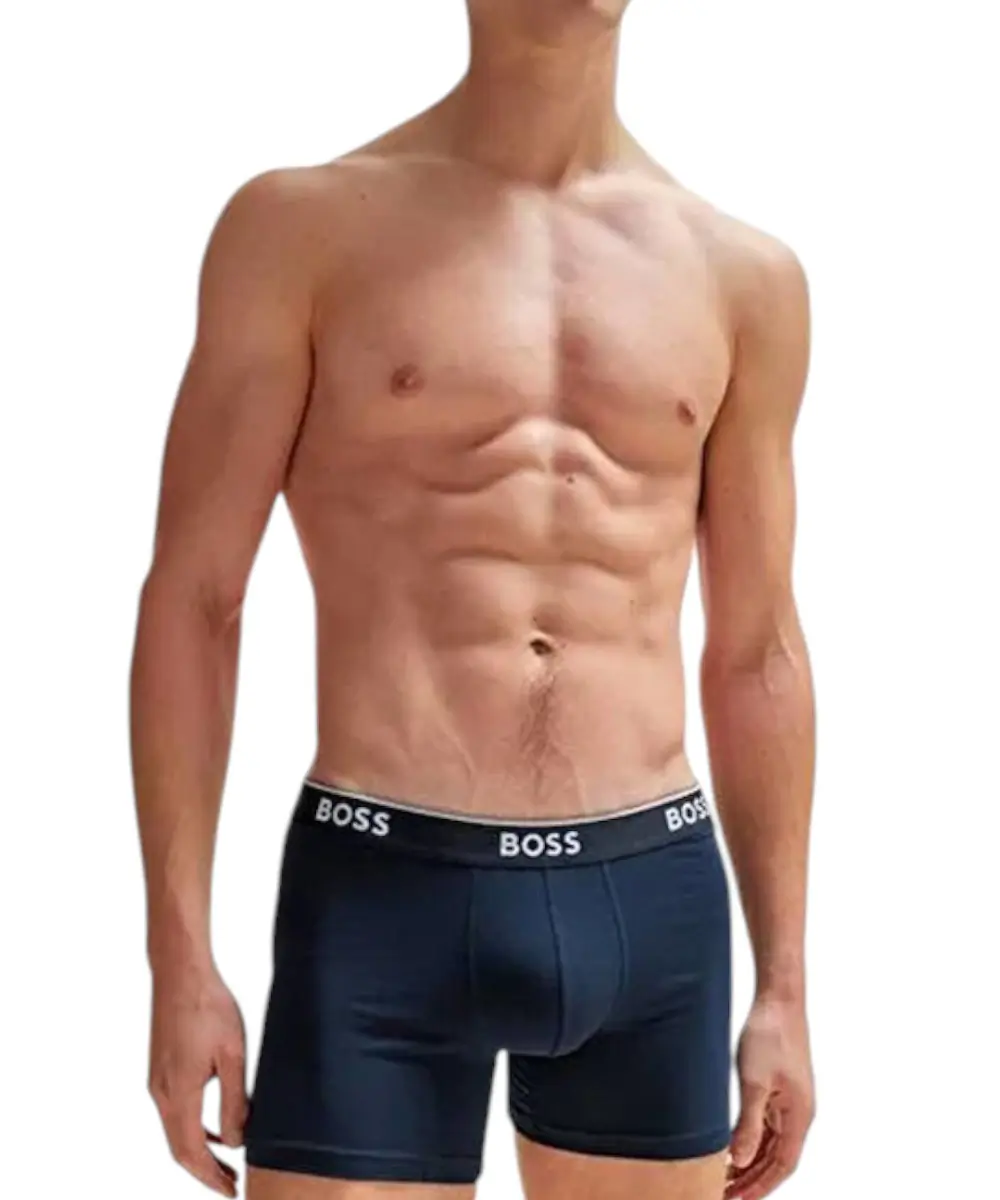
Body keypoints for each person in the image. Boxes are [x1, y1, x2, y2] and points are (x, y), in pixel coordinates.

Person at [130, 2, 817, 1198]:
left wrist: (786, 986)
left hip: (651, 905)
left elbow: (756, 649)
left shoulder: (743, 277)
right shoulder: (301, 232)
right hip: (381, 896)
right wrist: (176, 957)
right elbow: (195, 601)